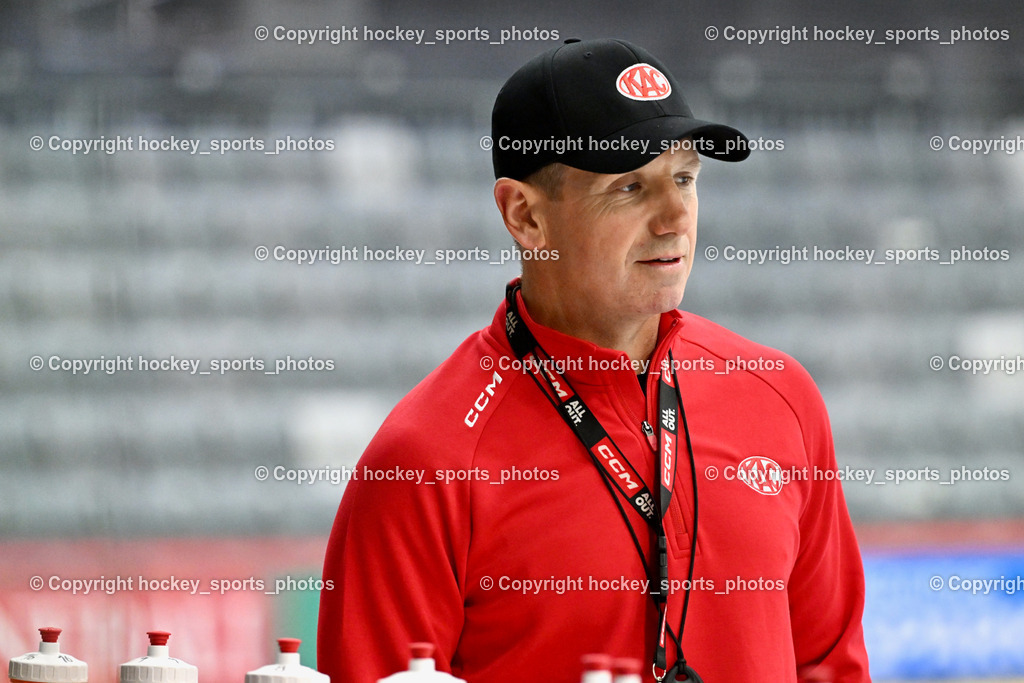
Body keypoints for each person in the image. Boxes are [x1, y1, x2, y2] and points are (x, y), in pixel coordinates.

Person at [318, 38, 870, 683]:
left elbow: (831, 665)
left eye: (685, 179)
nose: (675, 218)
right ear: (524, 216)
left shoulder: (779, 396)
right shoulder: (424, 460)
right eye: (630, 186)